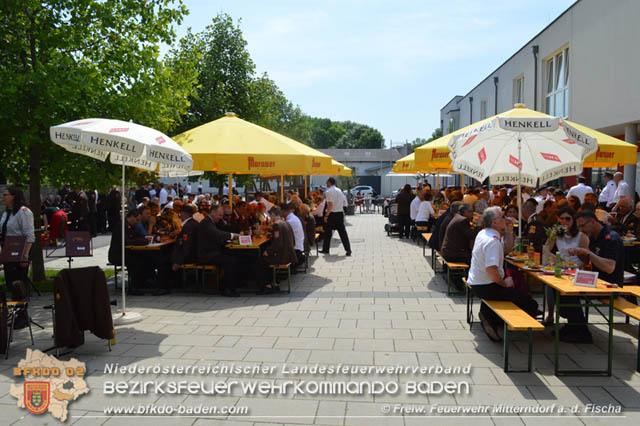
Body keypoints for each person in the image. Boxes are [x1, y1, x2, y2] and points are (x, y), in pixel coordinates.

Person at [468, 207, 538, 342]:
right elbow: (491, 270)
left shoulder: (484, 233)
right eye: (502, 217)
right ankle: (495, 320)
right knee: (531, 304)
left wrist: (510, 232)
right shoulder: (492, 241)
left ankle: (489, 316)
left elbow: (506, 250)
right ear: (495, 222)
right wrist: (504, 283)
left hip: (477, 282)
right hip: (486, 286)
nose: (506, 219)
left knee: (514, 288)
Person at [562, 210, 625, 343]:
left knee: (570, 294)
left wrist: (588, 253)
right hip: (594, 281)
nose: (580, 230)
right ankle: (573, 325)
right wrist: (581, 255)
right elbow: (590, 262)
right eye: (578, 227)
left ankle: (581, 332)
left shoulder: (611, 238)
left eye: (582, 226)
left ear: (592, 222)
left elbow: (609, 268)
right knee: (559, 287)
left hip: (609, 284)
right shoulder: (593, 237)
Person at [543, 207, 589, 325]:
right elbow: (546, 249)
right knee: (549, 283)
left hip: (576, 268)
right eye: (561, 219)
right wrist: (556, 259)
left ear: (573, 220)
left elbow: (585, 257)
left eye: (568, 219)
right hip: (561, 266)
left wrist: (576, 264)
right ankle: (550, 314)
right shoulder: (556, 233)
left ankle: (571, 315)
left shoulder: (581, 236)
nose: (564, 221)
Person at [197, 205, 241, 297]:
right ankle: (227, 289)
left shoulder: (211, 222)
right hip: (207, 254)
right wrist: (232, 235)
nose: (221, 218)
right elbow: (217, 234)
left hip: (213, 252)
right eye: (220, 215)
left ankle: (229, 285)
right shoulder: (206, 223)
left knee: (235, 257)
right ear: (213, 212)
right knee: (231, 261)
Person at [256, 206, 297, 294]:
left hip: (282, 256)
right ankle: (274, 282)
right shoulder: (285, 223)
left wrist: (268, 251)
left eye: (271, 215)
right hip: (288, 254)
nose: (270, 217)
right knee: (265, 259)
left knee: (260, 261)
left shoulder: (276, 225)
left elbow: (278, 244)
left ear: (274, 215)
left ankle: (267, 285)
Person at [1, 187, 35, 290]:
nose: (3, 197)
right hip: (8, 249)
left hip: (19, 250)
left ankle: (21, 303)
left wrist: (25, 256)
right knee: (9, 281)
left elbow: (29, 235)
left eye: (5, 195)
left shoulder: (24, 212)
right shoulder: (7, 213)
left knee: (18, 283)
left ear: (13, 196)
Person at [321, 177, 351, 256]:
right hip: (340, 213)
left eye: (327, 182)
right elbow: (344, 202)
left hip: (332, 214)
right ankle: (348, 249)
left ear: (330, 182)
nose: (326, 184)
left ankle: (326, 249)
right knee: (342, 233)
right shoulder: (339, 191)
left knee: (328, 232)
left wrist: (326, 215)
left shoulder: (328, 192)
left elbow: (330, 204)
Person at [171, 204, 199, 274]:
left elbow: (187, 245)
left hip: (190, 257)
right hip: (194, 255)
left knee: (164, 262)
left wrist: (178, 262)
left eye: (180, 213)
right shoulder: (194, 223)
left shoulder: (188, 226)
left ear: (183, 214)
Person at [281, 203, 305, 268]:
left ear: (283, 211)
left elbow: (282, 236)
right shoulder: (294, 218)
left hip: (295, 250)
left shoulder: (290, 221)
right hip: (299, 247)